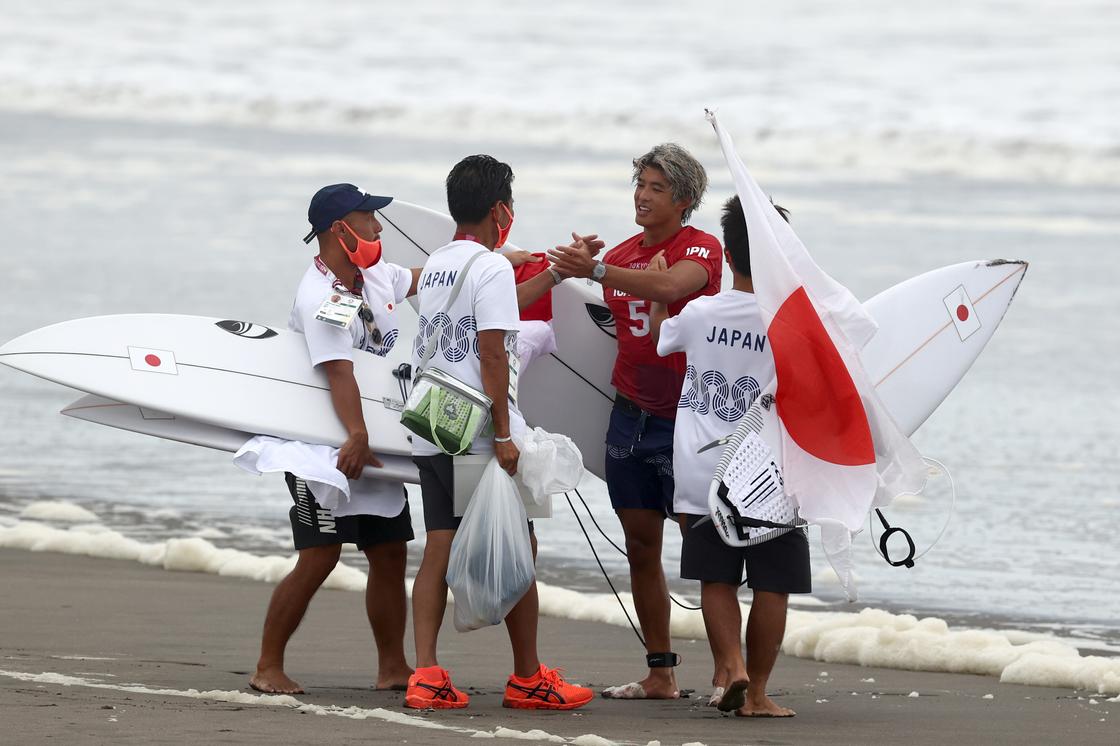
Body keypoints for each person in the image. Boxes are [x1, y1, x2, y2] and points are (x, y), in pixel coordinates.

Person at [405, 154, 596, 711]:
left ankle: (426, 673)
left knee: (438, 546)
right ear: (499, 209)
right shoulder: (487, 266)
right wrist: (506, 434)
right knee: (520, 544)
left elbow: (503, 309)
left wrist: (558, 273)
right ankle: (528, 677)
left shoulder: (440, 262)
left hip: (433, 424)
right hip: (479, 432)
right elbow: (493, 349)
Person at [548, 144, 722, 700]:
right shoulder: (621, 256)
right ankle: (660, 673)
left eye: (656, 189)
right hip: (630, 416)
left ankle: (728, 673)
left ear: (685, 200)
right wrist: (579, 268)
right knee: (641, 545)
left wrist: (598, 268)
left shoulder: (701, 247)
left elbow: (672, 288)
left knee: (704, 547)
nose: (642, 196)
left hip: (690, 420)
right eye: (640, 185)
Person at [249, 183, 421, 695]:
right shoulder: (320, 295)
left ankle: (393, 667)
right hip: (319, 448)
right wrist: (356, 435)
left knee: (389, 552)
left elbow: (423, 279)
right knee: (320, 555)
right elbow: (338, 372)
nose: (378, 227)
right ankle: (267, 666)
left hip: (368, 438)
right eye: (368, 218)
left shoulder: (374, 276)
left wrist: (506, 261)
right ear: (338, 229)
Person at [651, 194, 808, 718]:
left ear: (728, 253)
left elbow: (659, 340)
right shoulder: (793, 324)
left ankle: (732, 667)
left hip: (701, 466)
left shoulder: (700, 312)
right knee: (772, 584)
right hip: (767, 473)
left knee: (715, 578)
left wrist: (656, 293)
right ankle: (757, 694)